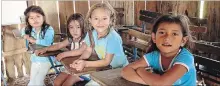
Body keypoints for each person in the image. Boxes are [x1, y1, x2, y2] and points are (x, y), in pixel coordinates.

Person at [121, 14, 196, 85]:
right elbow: (125, 71)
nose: (167, 38)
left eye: (174, 34)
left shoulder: (186, 58)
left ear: (183, 41)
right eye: (162, 32)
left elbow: (161, 83)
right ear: (154, 37)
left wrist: (140, 70)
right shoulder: (154, 56)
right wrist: (153, 82)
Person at [70, 2, 129, 73]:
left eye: (104, 18)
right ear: (90, 20)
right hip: (106, 69)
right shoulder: (92, 34)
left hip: (121, 70)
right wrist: (80, 60)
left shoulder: (113, 37)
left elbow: (106, 61)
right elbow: (88, 50)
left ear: (110, 20)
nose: (100, 22)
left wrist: (85, 64)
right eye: (96, 18)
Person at [35, 13, 87, 86]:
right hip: (71, 67)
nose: (75, 31)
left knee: (67, 84)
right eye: (71, 27)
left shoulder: (86, 39)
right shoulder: (71, 39)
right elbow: (59, 45)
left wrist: (64, 54)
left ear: (83, 27)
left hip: (83, 70)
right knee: (57, 82)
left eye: (78, 27)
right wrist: (45, 49)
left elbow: (80, 51)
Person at [21, 5, 54, 86]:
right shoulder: (29, 29)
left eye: (38, 16)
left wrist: (34, 40)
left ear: (43, 17)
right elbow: (22, 30)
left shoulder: (48, 29)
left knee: (39, 80)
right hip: (35, 59)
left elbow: (47, 42)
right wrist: (25, 35)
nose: (35, 20)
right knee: (32, 81)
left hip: (46, 59)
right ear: (28, 20)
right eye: (31, 18)